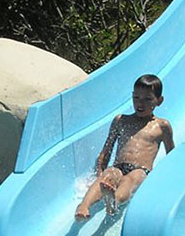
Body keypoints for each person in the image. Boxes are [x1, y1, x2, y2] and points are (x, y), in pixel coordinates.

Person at [75, 74, 175, 220]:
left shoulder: (162, 126)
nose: (140, 103)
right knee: (108, 175)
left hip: (142, 170)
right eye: (136, 98)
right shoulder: (121, 120)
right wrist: (100, 171)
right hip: (119, 166)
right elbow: (106, 150)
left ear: (159, 101)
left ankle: (114, 201)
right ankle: (84, 205)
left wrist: (167, 182)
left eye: (147, 99)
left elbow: (172, 156)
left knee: (132, 179)